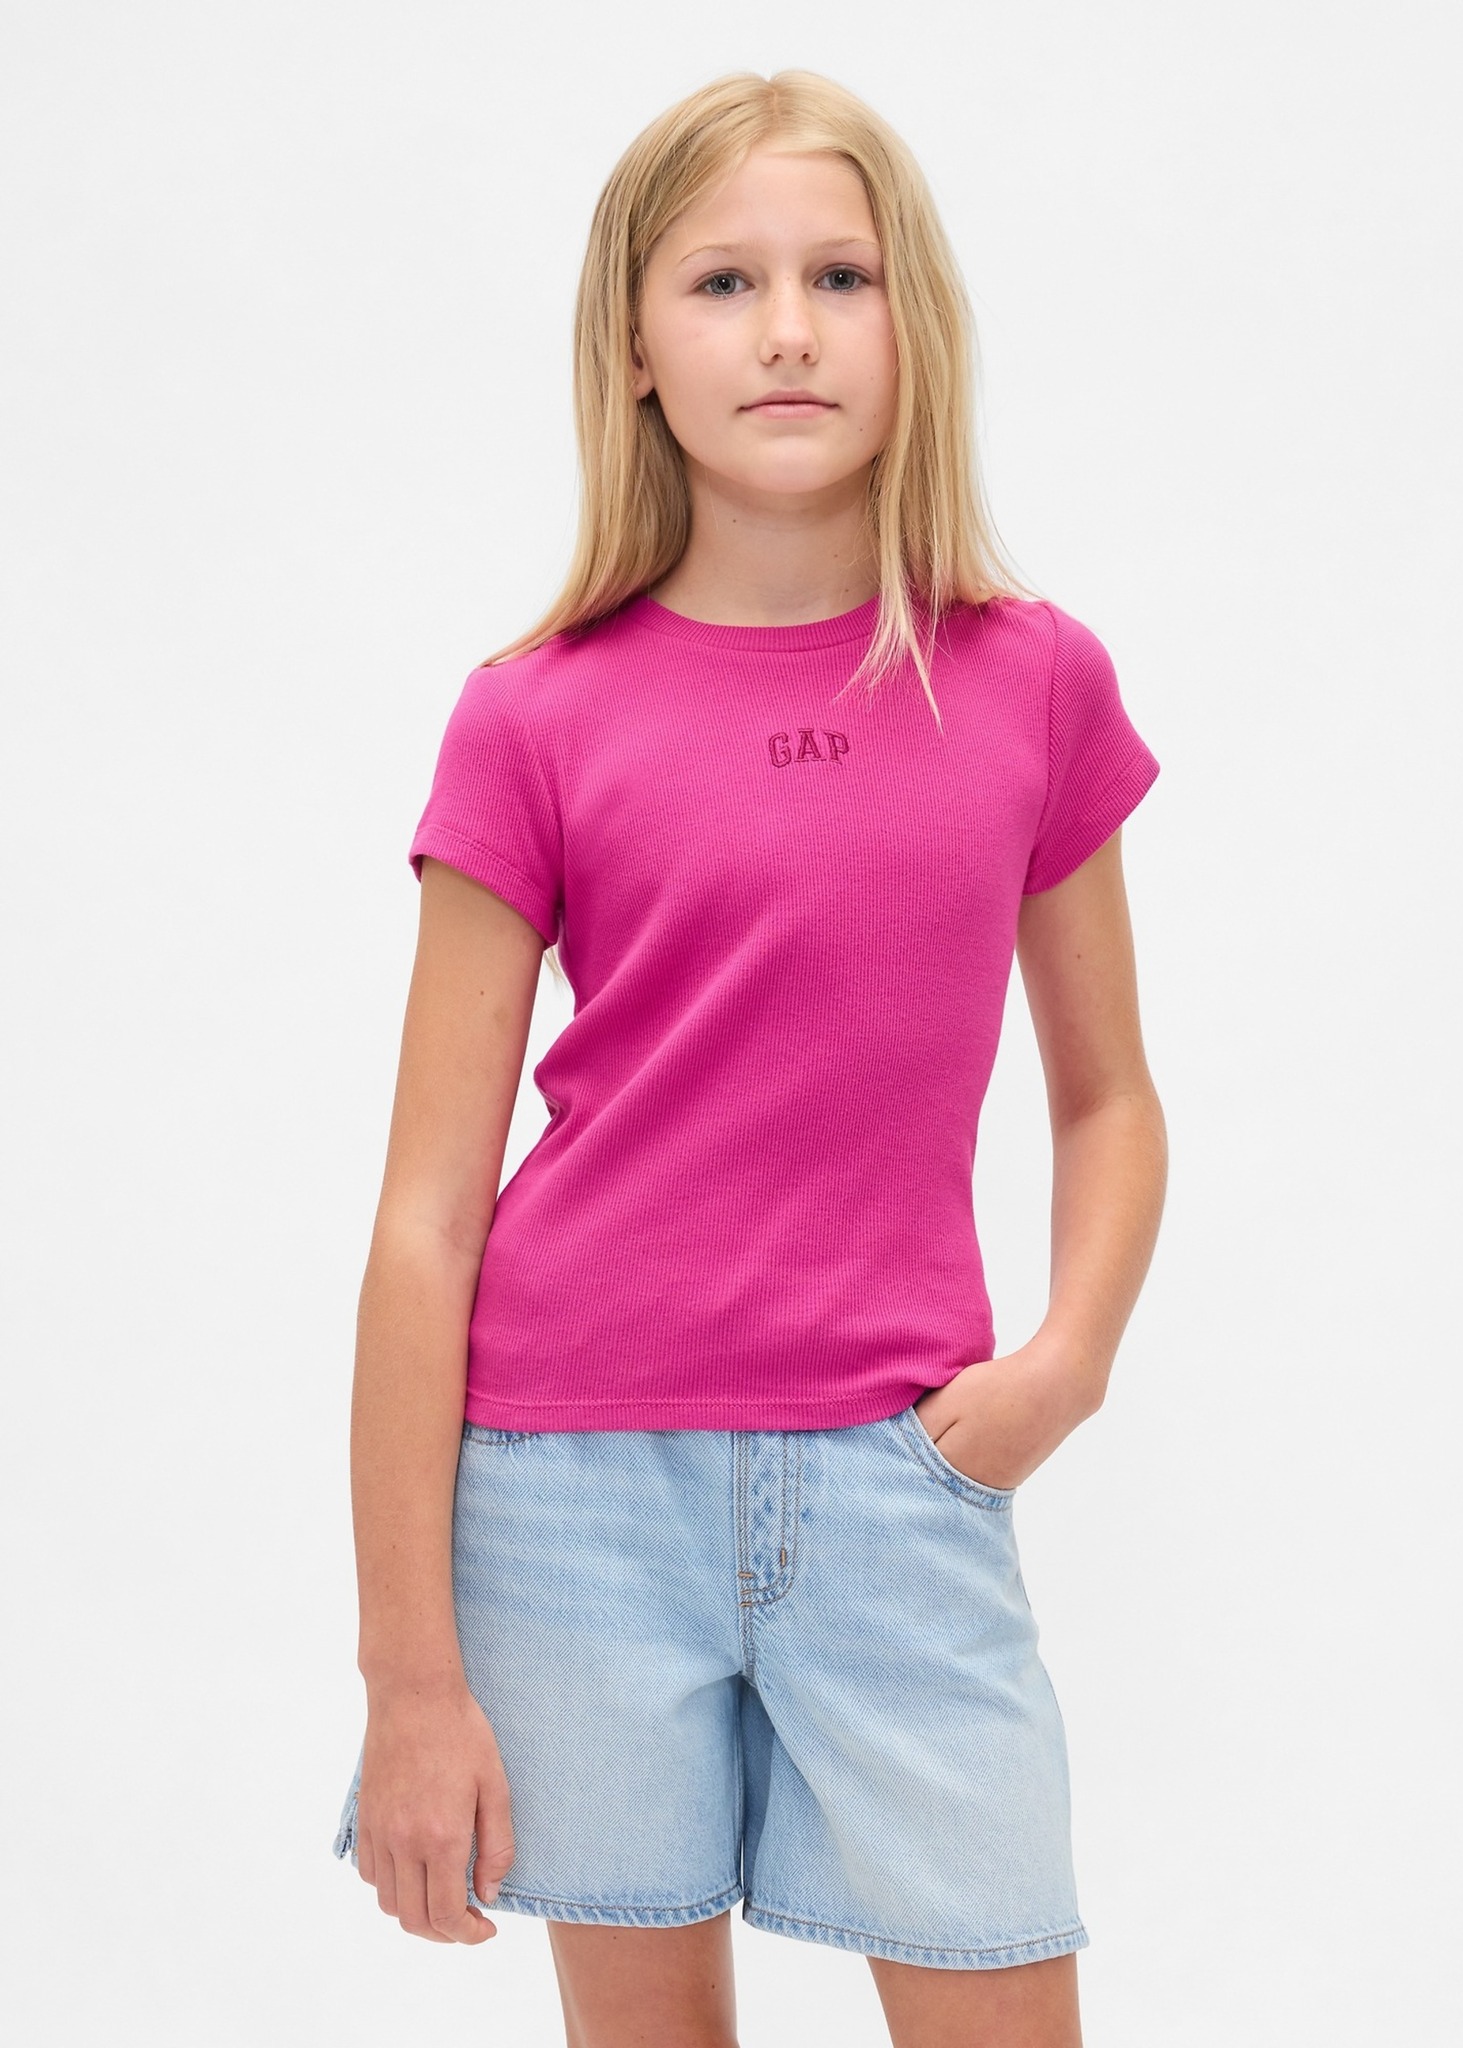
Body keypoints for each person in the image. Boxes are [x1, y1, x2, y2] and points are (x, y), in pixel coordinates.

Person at [328, 66, 1167, 2048]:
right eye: (723, 281)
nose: (787, 329)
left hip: (905, 1480)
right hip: (567, 1498)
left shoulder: (1031, 678)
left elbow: (1109, 1092)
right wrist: (409, 1677)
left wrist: (1060, 1370)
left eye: (838, 276)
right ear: (634, 346)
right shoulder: (534, 716)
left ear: (910, 322)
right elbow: (428, 1215)